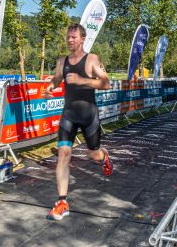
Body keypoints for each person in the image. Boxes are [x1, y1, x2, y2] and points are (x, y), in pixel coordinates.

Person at [45, 23, 112, 221]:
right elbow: (58, 78)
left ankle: (104, 157)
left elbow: (106, 83)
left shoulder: (92, 60)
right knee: (63, 154)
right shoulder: (62, 61)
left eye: (74, 37)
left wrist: (82, 80)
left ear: (83, 39)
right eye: (68, 37)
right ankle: (62, 202)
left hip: (88, 115)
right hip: (69, 115)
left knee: (93, 154)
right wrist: (51, 86)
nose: (70, 40)